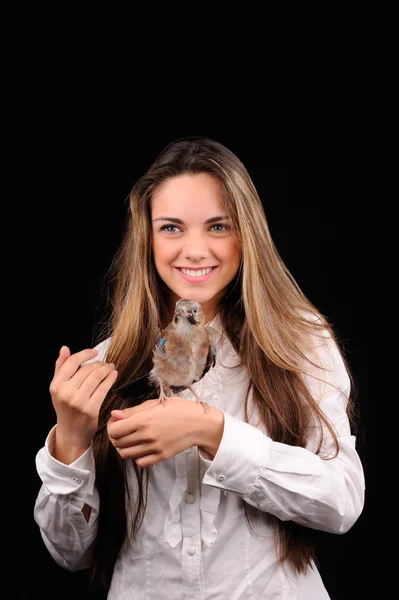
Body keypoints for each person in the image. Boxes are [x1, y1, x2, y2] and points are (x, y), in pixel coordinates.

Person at [34, 137, 365, 600]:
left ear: (246, 233)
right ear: (147, 238)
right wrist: (70, 442)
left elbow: (341, 501)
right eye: (171, 228)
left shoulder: (300, 343)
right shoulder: (110, 364)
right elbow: (71, 554)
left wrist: (215, 433)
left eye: (217, 226)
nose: (194, 250)